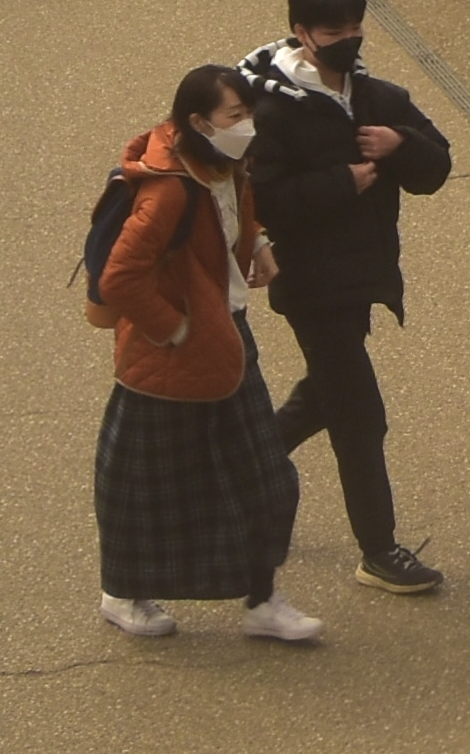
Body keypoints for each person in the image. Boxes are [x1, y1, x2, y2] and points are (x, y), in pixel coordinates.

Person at [90, 61, 323, 645]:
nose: (247, 126)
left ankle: (262, 597)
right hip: (171, 355)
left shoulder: (224, 163)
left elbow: (236, 209)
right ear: (198, 122)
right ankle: (123, 593)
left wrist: (257, 243)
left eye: (247, 114)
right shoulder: (168, 191)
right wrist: (172, 329)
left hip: (225, 339)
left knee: (265, 476)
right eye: (235, 117)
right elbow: (121, 278)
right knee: (145, 484)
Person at [243, 0, 455, 599]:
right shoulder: (270, 110)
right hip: (309, 285)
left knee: (324, 395)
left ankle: (238, 468)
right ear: (300, 32)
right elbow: (265, 200)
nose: (349, 40)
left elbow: (438, 165)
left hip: (361, 277)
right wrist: (345, 182)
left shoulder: (378, 99)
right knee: (360, 417)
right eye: (334, 30)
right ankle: (378, 550)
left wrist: (400, 144)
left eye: (358, 27)